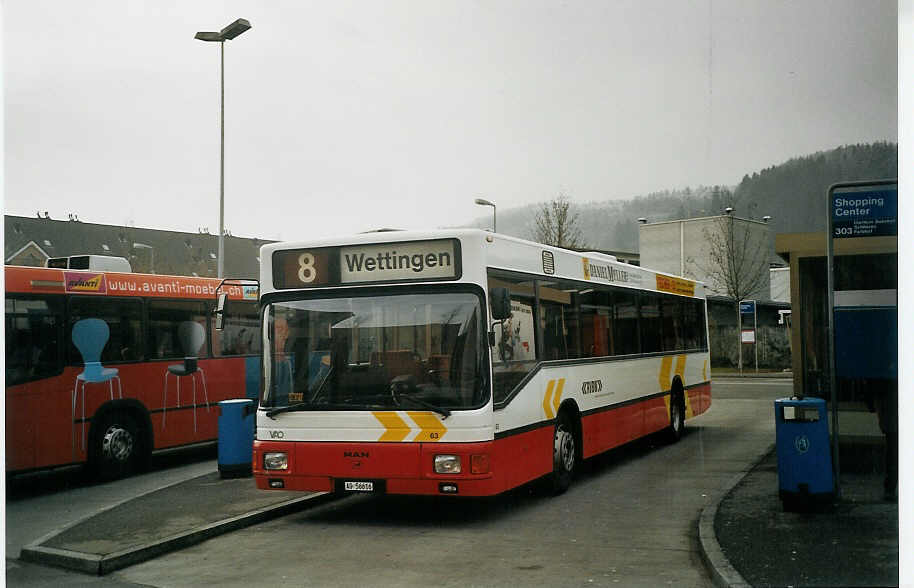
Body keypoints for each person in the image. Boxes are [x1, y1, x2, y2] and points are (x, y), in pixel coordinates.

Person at [873, 383, 898, 501]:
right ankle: (890, 489)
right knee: (893, 452)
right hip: (893, 418)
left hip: (892, 419)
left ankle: (890, 489)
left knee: (892, 453)